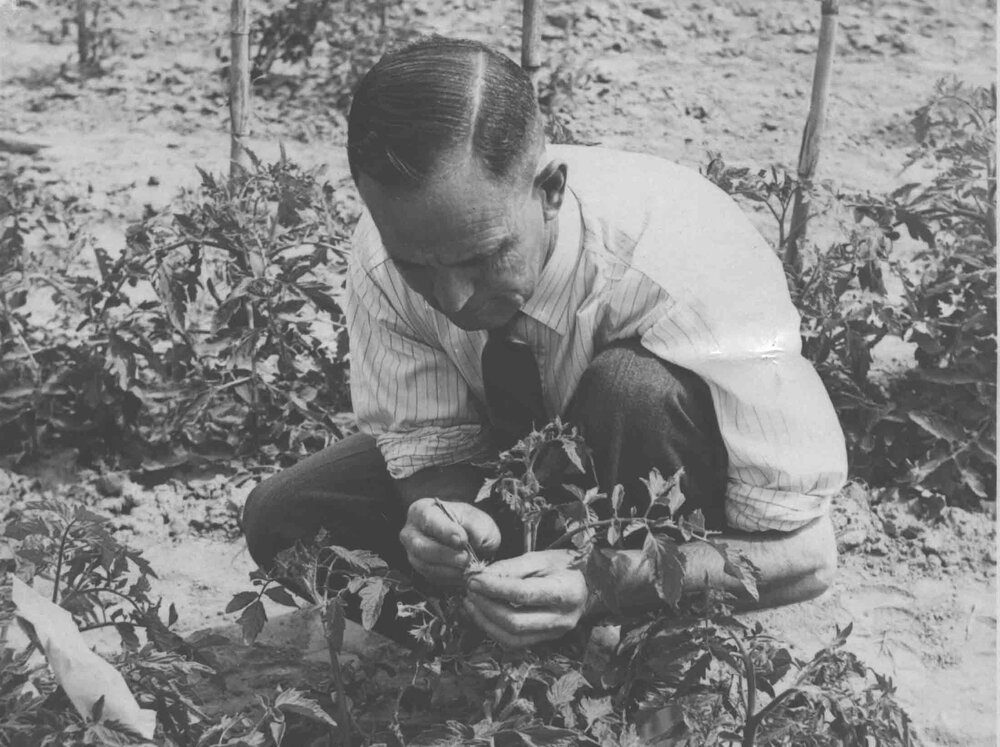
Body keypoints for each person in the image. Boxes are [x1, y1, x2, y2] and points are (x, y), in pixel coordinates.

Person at [242, 36, 847, 650]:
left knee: (633, 388)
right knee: (285, 517)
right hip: (519, 490)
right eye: (417, 268)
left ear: (550, 189)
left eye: (481, 257)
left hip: (663, 513)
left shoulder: (687, 264)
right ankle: (496, 645)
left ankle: (630, 651)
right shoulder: (384, 257)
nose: (452, 301)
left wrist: (602, 584)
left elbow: (806, 556)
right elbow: (434, 460)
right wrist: (443, 523)